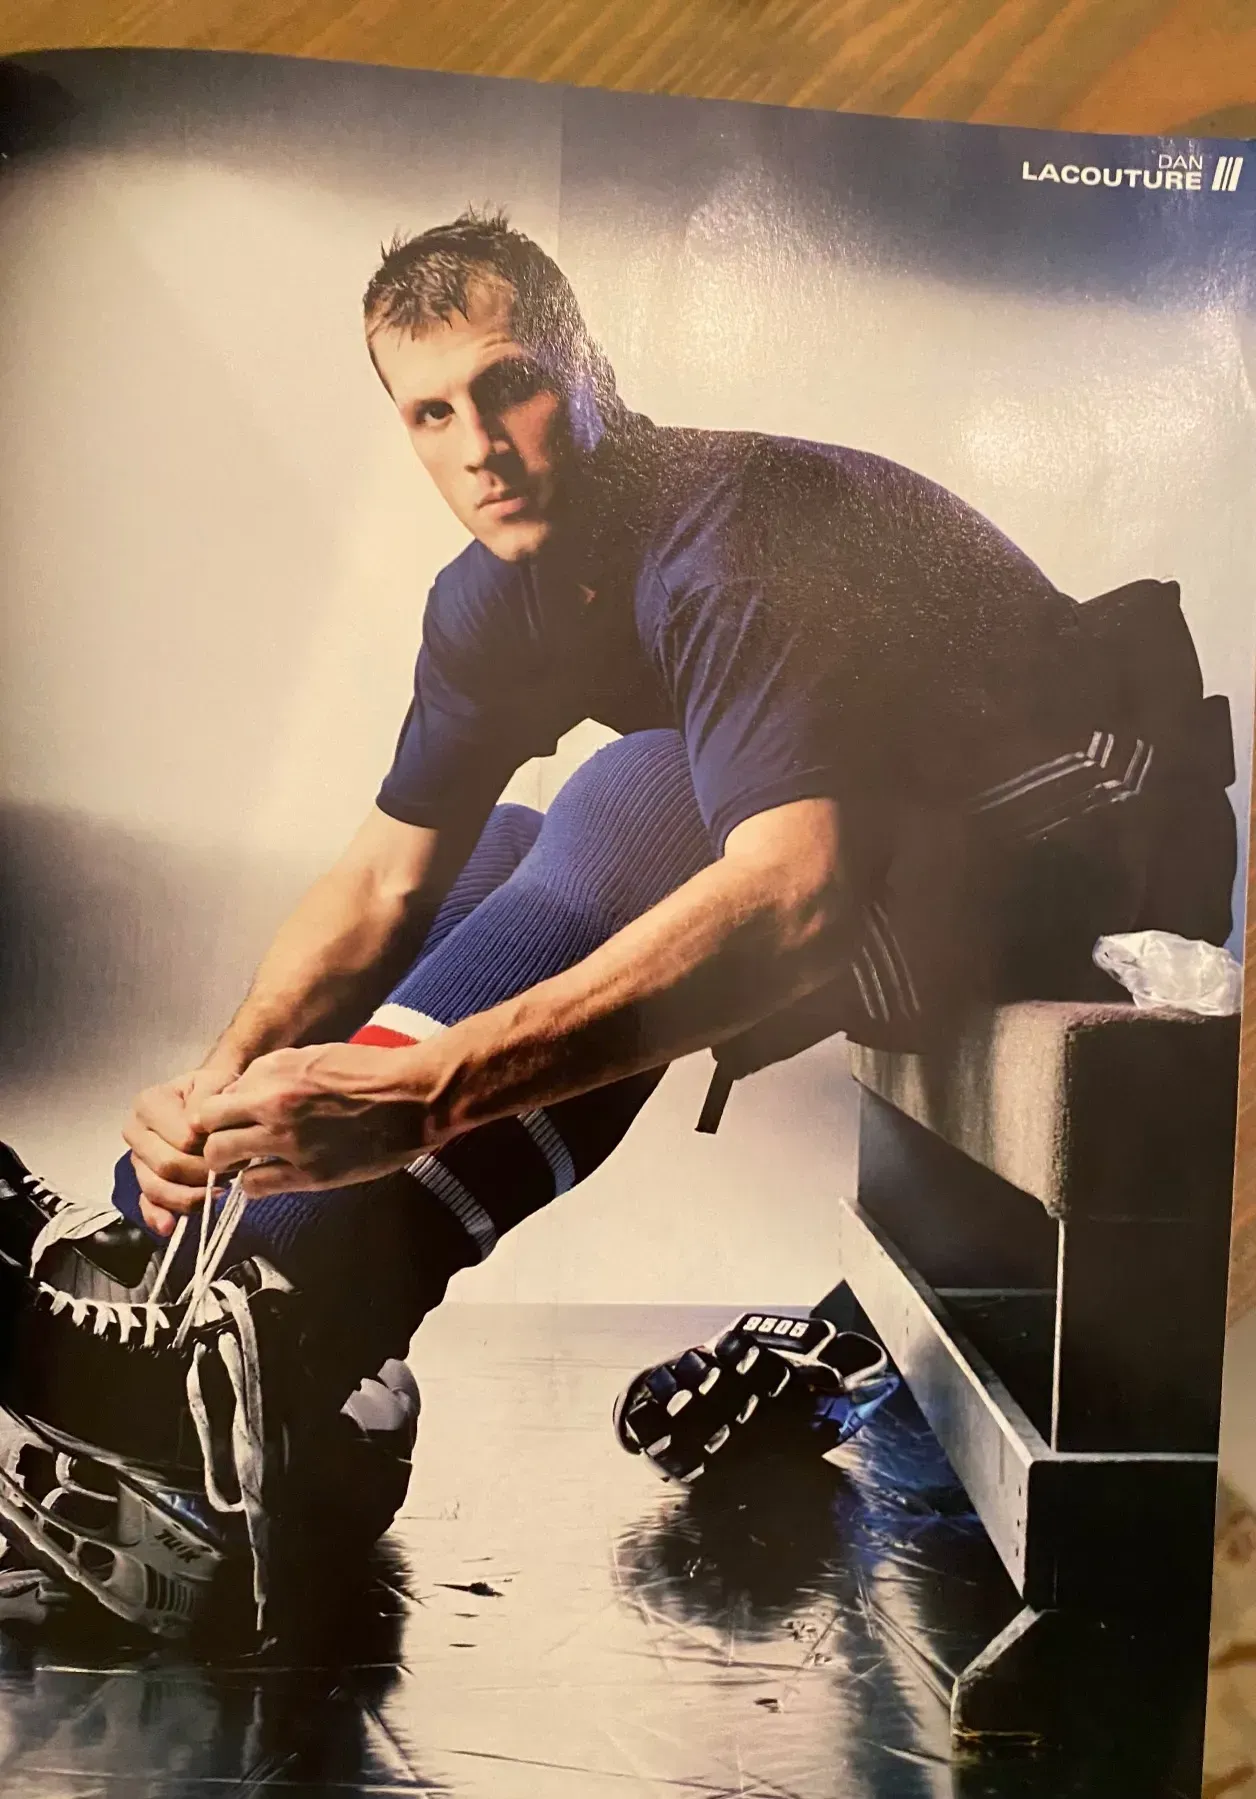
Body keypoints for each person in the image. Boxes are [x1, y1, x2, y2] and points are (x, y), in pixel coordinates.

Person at [0, 209, 1237, 1631]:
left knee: (640, 793)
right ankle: (199, 1297)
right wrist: (203, 1104)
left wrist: (428, 1092)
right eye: (431, 411)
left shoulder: (725, 533)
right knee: (505, 846)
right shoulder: (488, 604)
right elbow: (382, 884)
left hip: (1098, 843)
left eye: (511, 384)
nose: (483, 442)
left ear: (585, 369)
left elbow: (794, 889)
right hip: (920, 856)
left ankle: (278, 1324)